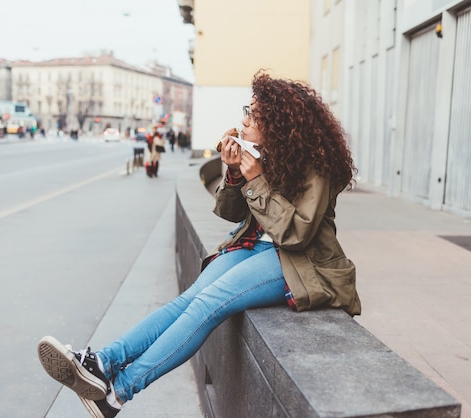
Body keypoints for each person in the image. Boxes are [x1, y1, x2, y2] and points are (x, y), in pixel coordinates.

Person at [37, 70, 361, 418]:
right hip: (256, 246)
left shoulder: (316, 165)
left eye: (253, 113)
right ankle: (103, 362)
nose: (244, 120)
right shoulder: (266, 154)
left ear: (279, 121)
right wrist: (235, 172)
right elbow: (228, 211)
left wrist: (255, 180)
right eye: (246, 111)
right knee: (188, 300)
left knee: (209, 303)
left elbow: (296, 234)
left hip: (301, 262)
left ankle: (117, 393)